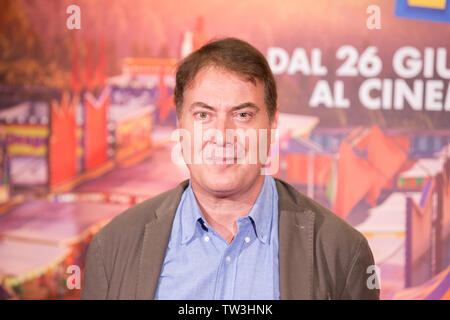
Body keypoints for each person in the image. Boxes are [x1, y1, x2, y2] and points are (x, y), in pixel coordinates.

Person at [80, 38, 379, 300]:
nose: (222, 135)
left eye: (243, 115)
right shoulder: (113, 247)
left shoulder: (343, 252)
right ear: (180, 124)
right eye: (203, 114)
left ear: (272, 125)